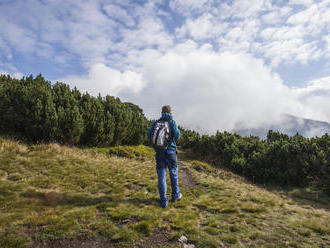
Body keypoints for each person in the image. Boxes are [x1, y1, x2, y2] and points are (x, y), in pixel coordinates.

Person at [147, 105, 182, 208]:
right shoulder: (172, 122)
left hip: (159, 152)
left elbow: (149, 133)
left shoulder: (156, 122)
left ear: (162, 112)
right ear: (170, 112)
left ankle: (163, 201)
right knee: (173, 174)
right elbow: (177, 136)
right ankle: (175, 196)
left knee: (161, 176)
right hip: (171, 152)